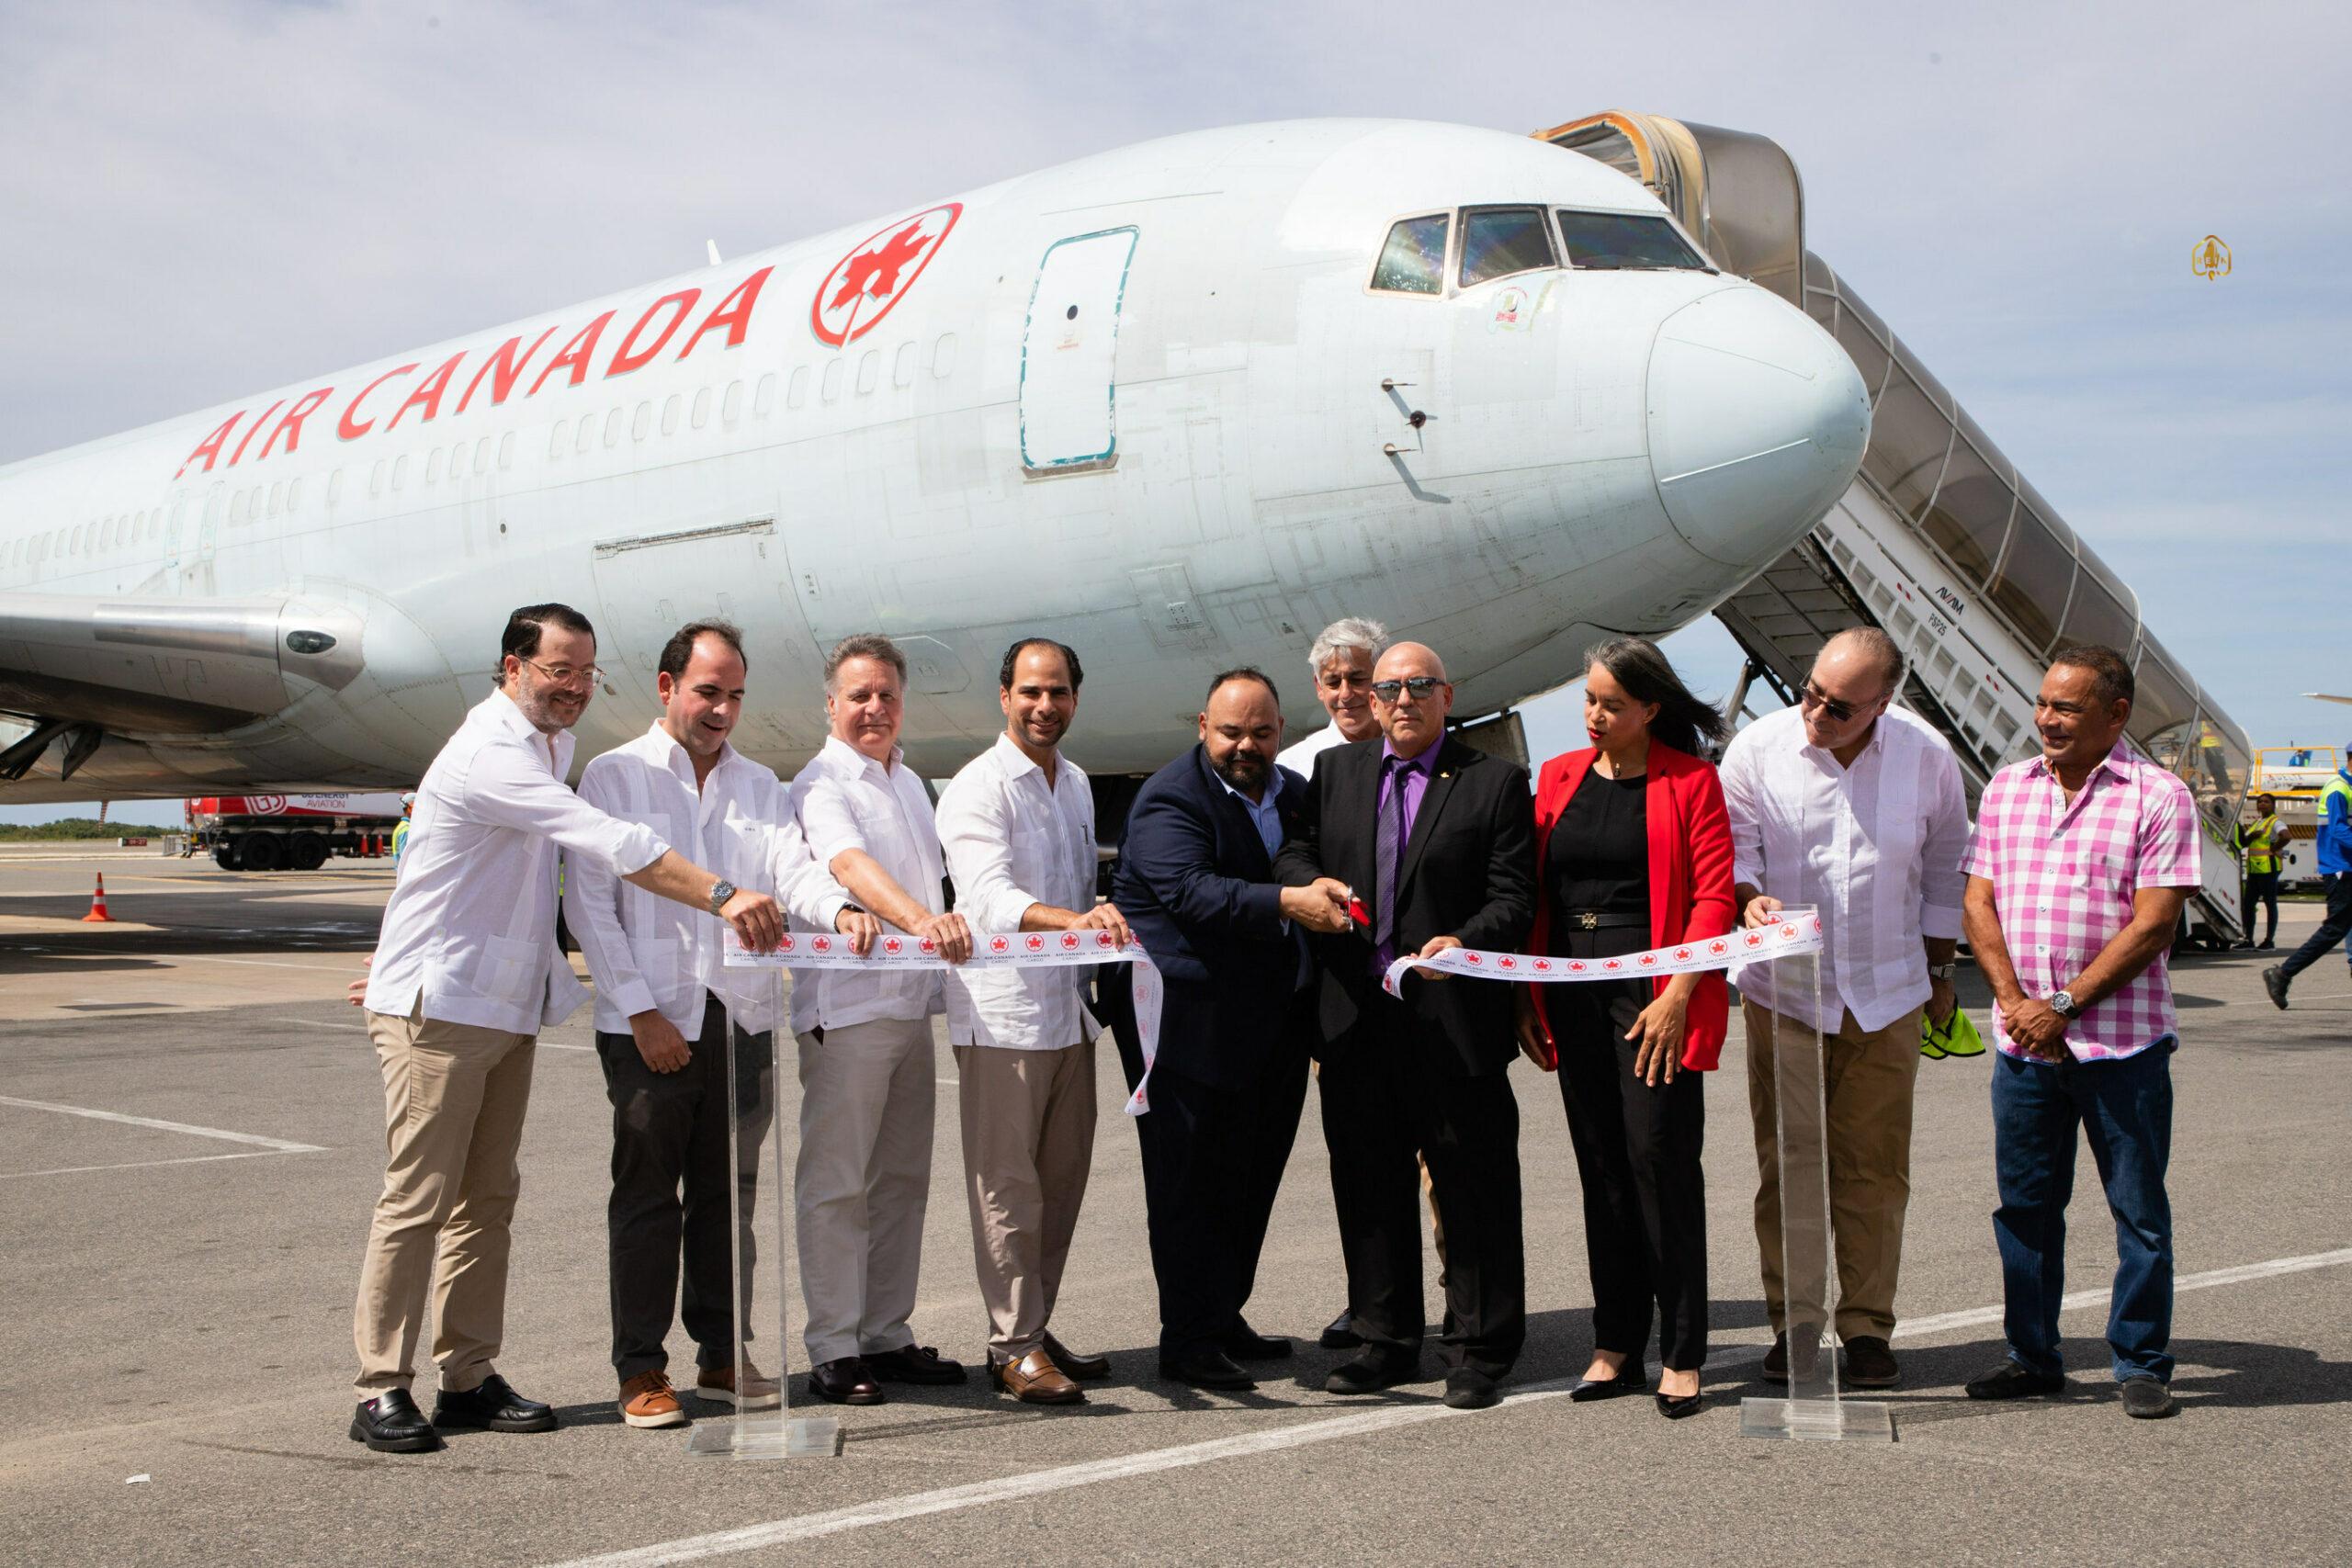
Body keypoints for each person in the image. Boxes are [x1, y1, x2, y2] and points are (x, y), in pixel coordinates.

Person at [347, 604, 786, 1454]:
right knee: (416, 1202)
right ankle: (379, 1386)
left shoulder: (551, 746)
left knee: (487, 1202)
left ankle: (467, 1376)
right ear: (512, 666)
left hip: (503, 1006)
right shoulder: (492, 753)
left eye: (586, 673)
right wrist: (725, 894)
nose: (576, 688)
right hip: (440, 1007)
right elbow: (607, 844)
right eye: (559, 670)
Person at [566, 621, 882, 1429]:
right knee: (646, 1199)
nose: (723, 710)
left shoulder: (758, 786)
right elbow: (590, 907)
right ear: (668, 687)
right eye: (709, 691)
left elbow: (793, 870)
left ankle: (720, 1353)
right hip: (650, 1022)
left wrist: (840, 909)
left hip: (739, 1020)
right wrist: (639, 1011)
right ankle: (641, 1368)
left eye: (735, 694)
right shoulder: (614, 776)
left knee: (727, 1198)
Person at [1275, 641, 1534, 1411]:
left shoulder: (1493, 782)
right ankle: (1385, 1339)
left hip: (1453, 1019)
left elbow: (1513, 895)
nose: (1401, 699)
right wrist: (1304, 884)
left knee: (1472, 1187)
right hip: (1358, 1020)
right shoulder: (1337, 773)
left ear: (1447, 695)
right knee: (1368, 1185)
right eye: (1389, 687)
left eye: (1419, 685)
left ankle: (1480, 1347)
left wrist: (1469, 940)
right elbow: (1295, 852)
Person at [1717, 628, 1970, 1392]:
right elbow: (1734, 854)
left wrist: (1940, 969)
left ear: (1882, 704)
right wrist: (1746, 897)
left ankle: (1866, 1328)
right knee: (1787, 1167)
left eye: (1841, 706)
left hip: (1889, 993)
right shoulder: (1757, 749)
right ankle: (1794, 1323)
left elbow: (1942, 869)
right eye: (1812, 691)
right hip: (1785, 996)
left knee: (1875, 1170)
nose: (1817, 711)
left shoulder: (1927, 757)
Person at [1960, 645, 2199, 1420]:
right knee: (2025, 1208)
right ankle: (2032, 1355)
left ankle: (2141, 1360)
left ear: (2115, 715)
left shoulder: (2158, 796)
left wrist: (2060, 1002)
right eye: (2043, 702)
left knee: (2137, 1210)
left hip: (2121, 1047)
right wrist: (2015, 1002)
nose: (2047, 719)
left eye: (2066, 707)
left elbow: (2155, 924)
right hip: (2024, 1045)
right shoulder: (2007, 788)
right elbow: (1978, 903)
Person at [1108, 668, 1351, 1390]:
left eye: (1262, 732)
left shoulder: (1293, 792)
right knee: (1189, 1185)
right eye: (1231, 732)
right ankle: (1186, 1340)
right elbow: (1190, 891)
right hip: (1186, 1023)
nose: (1246, 745)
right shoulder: (1168, 799)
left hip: (1271, 1020)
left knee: (1251, 1179)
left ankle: (1222, 1313)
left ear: (1281, 731)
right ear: (1203, 727)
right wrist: (1287, 901)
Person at [1512, 637, 1733, 1420]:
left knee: (1659, 1162)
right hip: (1569, 992)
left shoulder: (1692, 781)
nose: (1593, 715)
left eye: (1611, 703)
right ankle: (1615, 1343)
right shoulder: (1557, 776)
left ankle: (1681, 1352)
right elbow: (1534, 893)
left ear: (1650, 709)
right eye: (1589, 699)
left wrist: (1679, 992)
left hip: (1650, 997)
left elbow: (1713, 898)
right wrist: (1525, 1004)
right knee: (1601, 1166)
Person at [935, 638, 1125, 1405]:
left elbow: (1085, 880)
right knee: (1007, 1192)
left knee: (1060, 1186)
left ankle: (1034, 1328)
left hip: (1067, 1014)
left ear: (1076, 698)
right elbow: (987, 898)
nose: (1045, 706)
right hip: (1004, 1017)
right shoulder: (978, 788)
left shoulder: (1074, 783)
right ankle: (1012, 1347)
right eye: (1031, 692)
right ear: (1004, 696)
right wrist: (1077, 921)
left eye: (1060, 693)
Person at [789, 634, 974, 1406]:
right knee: (837, 1182)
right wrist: (924, 922)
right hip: (850, 1008)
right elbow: (849, 866)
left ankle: (885, 1335)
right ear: (831, 704)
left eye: (887, 695)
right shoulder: (821, 779)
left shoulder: (911, 781)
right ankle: (834, 1346)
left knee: (900, 1180)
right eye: (859, 695)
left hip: (908, 1003)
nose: (874, 708)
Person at [2265, 757, 2352, 1008]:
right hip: (2340, 867)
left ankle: (2283, 974)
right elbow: (2338, 830)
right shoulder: (2338, 789)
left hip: (2347, 866)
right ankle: (2282, 973)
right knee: (2335, 928)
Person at [1276, 616, 1387, 774]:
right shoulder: (1295, 766)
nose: (1345, 694)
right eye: (1333, 682)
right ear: (1319, 687)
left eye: (1357, 679)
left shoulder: (1415, 748)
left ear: (1382, 678)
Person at [2236, 793, 2283, 950]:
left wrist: (2274, 849)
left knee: (2270, 904)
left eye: (2266, 802)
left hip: (2269, 869)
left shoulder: (2275, 822)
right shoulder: (2257, 823)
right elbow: (2244, 842)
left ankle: (2269, 940)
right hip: (2255, 869)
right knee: (2249, 904)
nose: (2262, 804)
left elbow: (2286, 836)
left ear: (2273, 805)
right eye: (2260, 802)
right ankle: (2248, 939)